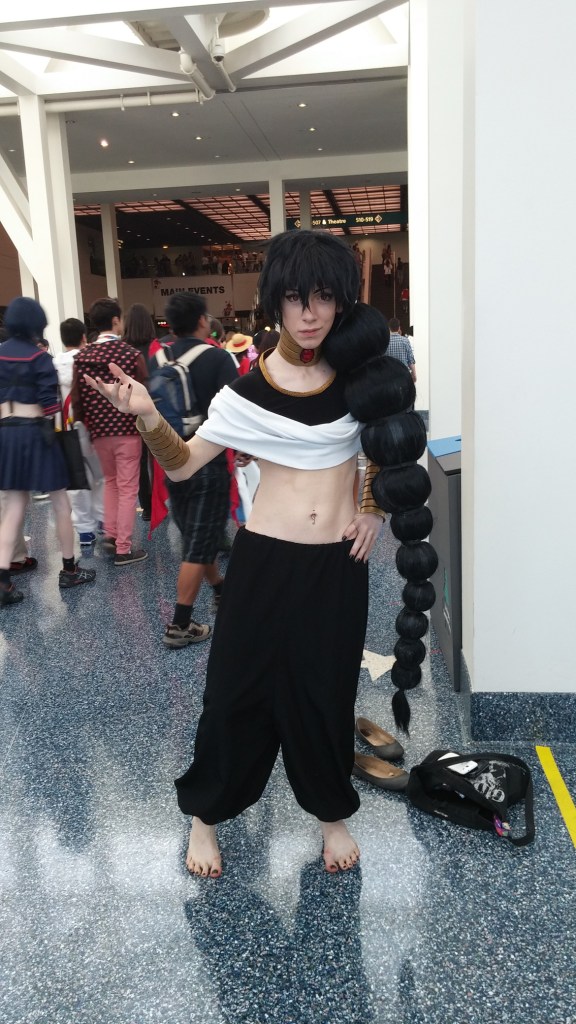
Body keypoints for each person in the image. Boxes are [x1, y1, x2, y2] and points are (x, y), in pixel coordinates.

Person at [86, 230, 436, 878]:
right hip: (265, 562)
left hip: (337, 565)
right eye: (296, 298)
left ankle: (329, 814)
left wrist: (372, 509)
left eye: (323, 297)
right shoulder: (244, 393)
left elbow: (377, 453)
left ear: (341, 302)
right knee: (234, 693)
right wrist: (146, 414)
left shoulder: (359, 382)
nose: (310, 313)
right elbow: (184, 465)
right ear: (276, 301)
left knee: (325, 691)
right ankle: (205, 815)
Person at [146, 292, 238, 646]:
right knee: (198, 545)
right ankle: (180, 624)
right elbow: (236, 409)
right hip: (208, 463)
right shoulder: (217, 358)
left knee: (197, 535)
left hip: (172, 461)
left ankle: (220, 589)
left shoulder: (157, 358)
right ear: (203, 320)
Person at [0, 297, 96, 605]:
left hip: (6, 434)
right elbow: (50, 405)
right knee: (60, 502)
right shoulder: (38, 357)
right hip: (36, 432)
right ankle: (69, 569)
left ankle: (3, 582)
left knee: (14, 507)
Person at [71, 298, 148, 566]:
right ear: (116, 320)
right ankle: (123, 548)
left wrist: (86, 424)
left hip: (99, 432)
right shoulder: (130, 354)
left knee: (111, 483)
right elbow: (144, 391)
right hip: (128, 430)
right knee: (128, 489)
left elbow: (77, 399)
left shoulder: (82, 358)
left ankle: (111, 534)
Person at [53, 317, 104, 545]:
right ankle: (103, 520)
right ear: (84, 337)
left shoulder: (51, 365)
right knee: (101, 476)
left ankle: (84, 531)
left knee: (76, 480)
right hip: (91, 426)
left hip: (64, 428)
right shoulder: (89, 361)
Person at [121, 304, 160, 521]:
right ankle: (161, 501)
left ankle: (146, 506)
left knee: (139, 461)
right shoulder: (157, 349)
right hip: (155, 409)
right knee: (158, 457)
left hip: (130, 412)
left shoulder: (123, 351)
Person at [387, 317, 416, 383]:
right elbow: (410, 360)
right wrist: (414, 375)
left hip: (389, 375)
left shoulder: (385, 341)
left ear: (389, 328)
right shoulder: (405, 340)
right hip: (403, 375)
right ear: (399, 328)